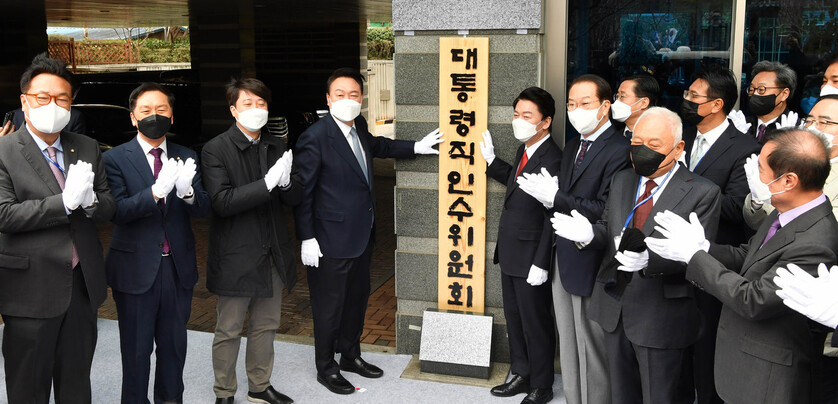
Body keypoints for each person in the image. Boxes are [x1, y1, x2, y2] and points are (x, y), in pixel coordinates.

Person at [646, 127, 838, 404]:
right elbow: (748, 256)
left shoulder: (816, 241)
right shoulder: (789, 211)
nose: (755, 177)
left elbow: (755, 299)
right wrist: (703, 247)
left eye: (761, 169)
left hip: (768, 378)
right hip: (744, 364)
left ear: (788, 181)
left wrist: (693, 256)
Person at [551, 107, 722, 404]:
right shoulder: (623, 180)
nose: (643, 150)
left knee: (660, 396)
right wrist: (590, 235)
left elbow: (698, 256)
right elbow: (608, 226)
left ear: (678, 148)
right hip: (614, 306)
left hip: (661, 315)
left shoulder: (703, 192)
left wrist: (650, 261)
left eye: (654, 145)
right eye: (637, 142)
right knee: (621, 394)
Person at [294, 67, 443, 395]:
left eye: (353, 95)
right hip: (329, 241)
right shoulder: (314, 137)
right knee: (328, 306)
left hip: (361, 236)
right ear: (328, 99)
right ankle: (326, 367)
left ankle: (350, 355)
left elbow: (377, 147)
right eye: (340, 95)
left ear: (361, 98)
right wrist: (306, 236)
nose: (347, 100)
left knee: (357, 301)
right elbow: (304, 194)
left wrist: (415, 147)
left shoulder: (359, 126)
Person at [0, 53, 115, 403]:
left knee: (76, 383)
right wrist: (64, 203)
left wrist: (90, 201)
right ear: (24, 101)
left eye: (62, 98)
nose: (53, 105)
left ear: (71, 104)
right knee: (29, 388)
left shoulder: (86, 146)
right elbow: (5, 215)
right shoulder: (4, 151)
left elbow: (108, 205)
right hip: (28, 290)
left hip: (81, 284)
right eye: (42, 98)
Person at [517, 75, 631, 404]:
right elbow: (558, 202)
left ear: (605, 106)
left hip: (594, 261)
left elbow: (607, 209)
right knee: (568, 344)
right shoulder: (572, 146)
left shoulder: (621, 150)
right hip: (562, 258)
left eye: (585, 104)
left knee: (592, 348)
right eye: (571, 104)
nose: (575, 110)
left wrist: (557, 198)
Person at [102, 82, 210, 404]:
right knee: (136, 351)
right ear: (133, 118)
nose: (154, 116)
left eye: (161, 110)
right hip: (135, 269)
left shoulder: (186, 155)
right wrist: (155, 192)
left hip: (177, 268)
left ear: (172, 116)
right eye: (146, 111)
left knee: (174, 348)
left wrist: (188, 192)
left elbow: (204, 208)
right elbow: (116, 211)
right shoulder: (115, 159)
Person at [201, 77, 302, 404]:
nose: (256, 110)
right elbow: (222, 202)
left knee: (267, 324)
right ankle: (224, 392)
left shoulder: (278, 145)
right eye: (248, 104)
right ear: (233, 109)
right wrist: (267, 183)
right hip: (236, 255)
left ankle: (260, 384)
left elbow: (295, 196)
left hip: (272, 251)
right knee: (229, 329)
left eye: (261, 104)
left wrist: (286, 185)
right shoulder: (216, 149)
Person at [679, 65, 761, 404]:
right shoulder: (682, 134)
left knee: (706, 346)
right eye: (687, 94)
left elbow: (734, 208)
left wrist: (686, 184)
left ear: (716, 104)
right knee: (678, 345)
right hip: (675, 257)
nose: (686, 100)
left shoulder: (743, 147)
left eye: (694, 97)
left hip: (714, 259)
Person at [478, 87, 562, 404]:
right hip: (512, 253)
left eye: (527, 116)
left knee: (535, 323)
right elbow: (518, 182)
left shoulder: (553, 158)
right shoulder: (524, 150)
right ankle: (522, 373)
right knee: (515, 319)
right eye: (516, 114)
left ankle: (541, 385)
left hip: (531, 258)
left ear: (545, 122)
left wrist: (541, 262)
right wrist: (491, 161)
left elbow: (550, 214)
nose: (519, 121)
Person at [743, 94, 838, 229]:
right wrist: (757, 201)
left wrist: (776, 203)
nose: (812, 128)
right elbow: (755, 223)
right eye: (809, 120)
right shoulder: (790, 158)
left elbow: (825, 229)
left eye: (824, 122)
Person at [730, 61, 799, 143]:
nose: (754, 94)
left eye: (761, 90)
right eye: (751, 90)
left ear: (784, 94)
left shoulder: (796, 128)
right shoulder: (742, 124)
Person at [611, 74, 660, 139]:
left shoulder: (660, 136)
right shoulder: (614, 138)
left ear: (644, 103)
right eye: (617, 96)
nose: (617, 101)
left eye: (622, 96)